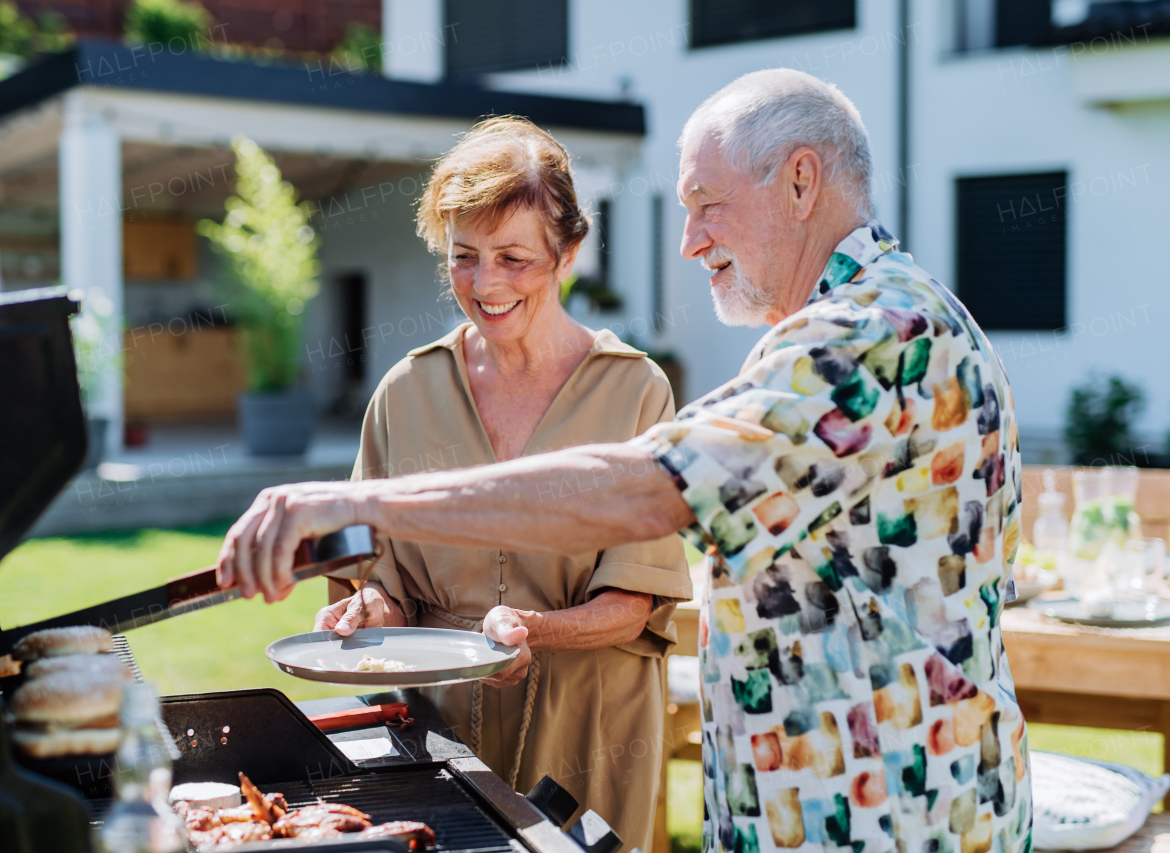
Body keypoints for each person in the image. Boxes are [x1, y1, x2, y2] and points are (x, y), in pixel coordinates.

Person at [218, 70, 1031, 853]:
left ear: (801, 181)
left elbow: (647, 490)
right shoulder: (869, 319)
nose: (688, 242)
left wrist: (364, 505)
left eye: (706, 205)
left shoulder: (866, 337)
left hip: (886, 822)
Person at [314, 117, 688, 850]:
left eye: (515, 258)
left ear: (568, 252)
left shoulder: (636, 391)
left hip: (592, 732)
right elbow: (382, 578)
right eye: (464, 257)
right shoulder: (404, 392)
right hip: (436, 733)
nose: (486, 285)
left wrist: (532, 631)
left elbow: (635, 600)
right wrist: (366, 606)